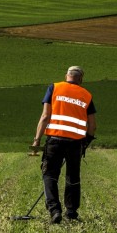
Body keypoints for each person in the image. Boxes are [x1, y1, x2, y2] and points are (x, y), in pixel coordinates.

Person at [30, 66, 96, 223]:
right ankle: (72, 212)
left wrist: (37, 140)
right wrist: (86, 141)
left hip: (55, 140)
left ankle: (54, 210)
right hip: (75, 142)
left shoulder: (54, 88)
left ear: (67, 76)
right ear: (81, 79)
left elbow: (45, 116)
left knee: (49, 174)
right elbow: (92, 125)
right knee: (73, 176)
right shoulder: (86, 95)